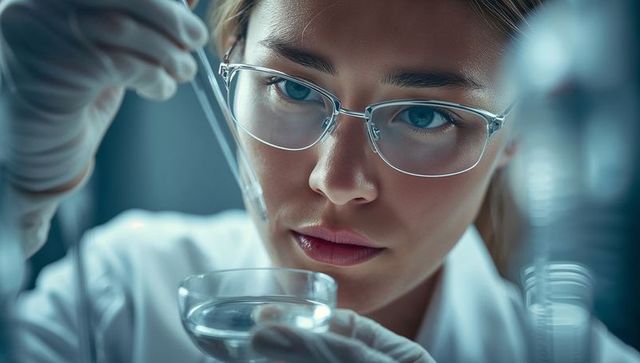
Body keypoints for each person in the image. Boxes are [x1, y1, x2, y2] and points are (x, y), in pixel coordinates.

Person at [1, 0, 639, 362]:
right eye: (292, 87)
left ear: (520, 135)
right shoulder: (122, 299)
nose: (338, 182)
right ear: (229, 67)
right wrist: (10, 196)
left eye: (426, 115)